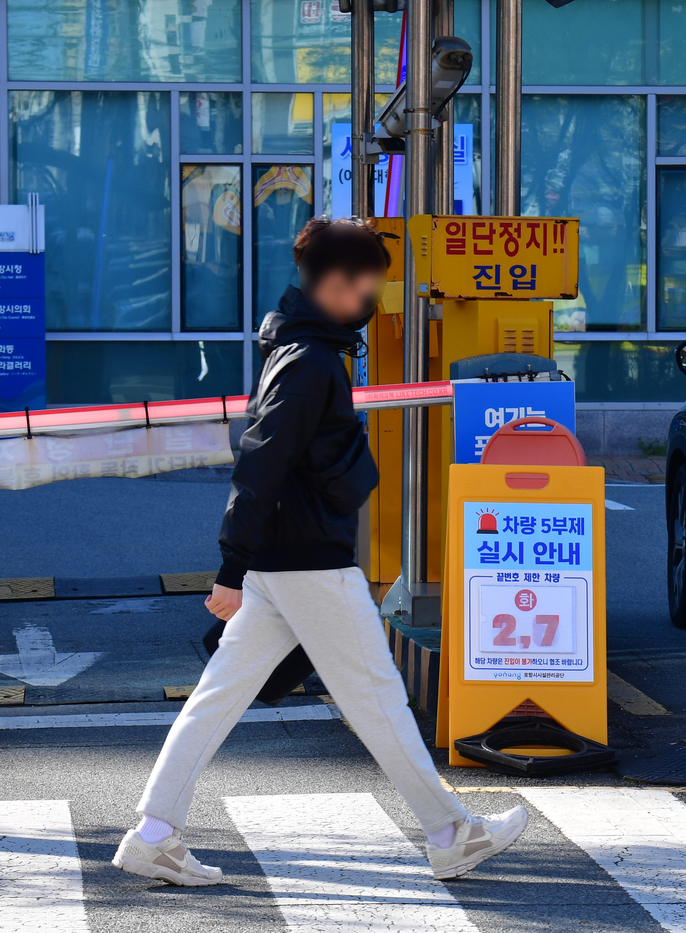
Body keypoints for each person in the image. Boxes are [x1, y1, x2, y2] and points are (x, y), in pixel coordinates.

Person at [113, 218, 527, 886]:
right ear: (337, 282)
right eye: (367, 284)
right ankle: (452, 832)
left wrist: (242, 564)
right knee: (377, 697)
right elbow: (261, 462)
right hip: (310, 562)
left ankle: (155, 831)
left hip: (286, 563)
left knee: (218, 696)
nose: (372, 297)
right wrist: (229, 567)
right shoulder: (308, 363)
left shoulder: (297, 350)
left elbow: (266, 464)